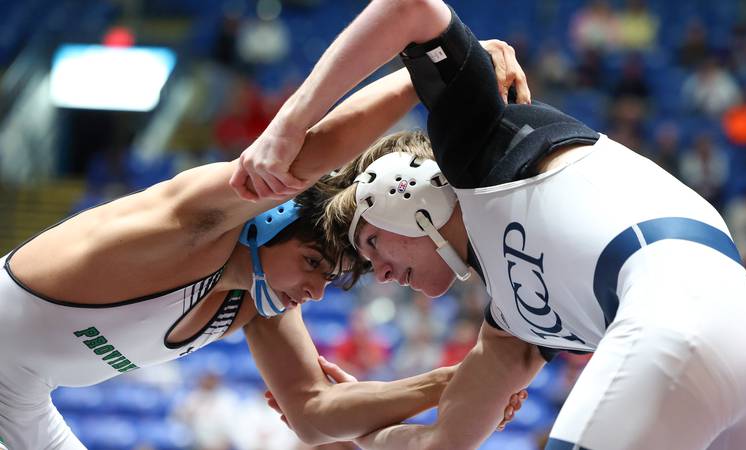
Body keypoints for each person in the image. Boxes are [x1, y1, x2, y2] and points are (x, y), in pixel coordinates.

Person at [234, 1, 746, 449]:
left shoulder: (475, 156)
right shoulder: (512, 328)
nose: (379, 272)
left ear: (402, 191)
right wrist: (363, 430)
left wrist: (289, 126)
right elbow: (439, 446)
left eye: (370, 242)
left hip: (680, 329)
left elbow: (409, 9)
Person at [0, 37, 528, 449]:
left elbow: (314, 415)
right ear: (269, 220)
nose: (317, 294)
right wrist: (440, 73)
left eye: (330, 280)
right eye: (315, 263)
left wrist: (460, 381)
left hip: (21, 404)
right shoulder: (190, 224)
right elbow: (307, 157)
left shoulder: (254, 303)